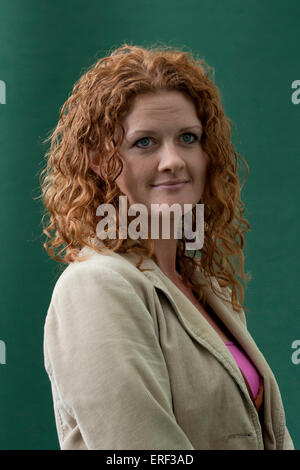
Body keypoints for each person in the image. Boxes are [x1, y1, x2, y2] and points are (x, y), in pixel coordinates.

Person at [39, 43, 294, 450]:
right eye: (145, 142)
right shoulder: (96, 286)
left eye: (187, 138)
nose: (173, 159)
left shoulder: (206, 287)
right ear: (98, 159)